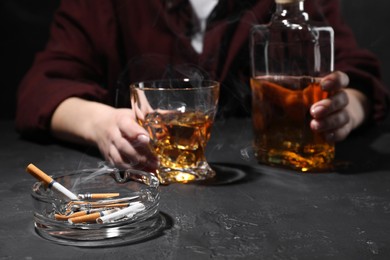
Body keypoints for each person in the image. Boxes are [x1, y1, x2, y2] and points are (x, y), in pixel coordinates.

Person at [16, 0, 389, 170]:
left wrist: (345, 110)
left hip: (279, 185)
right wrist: (101, 125)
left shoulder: (291, 4)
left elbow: (357, 73)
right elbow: (41, 85)